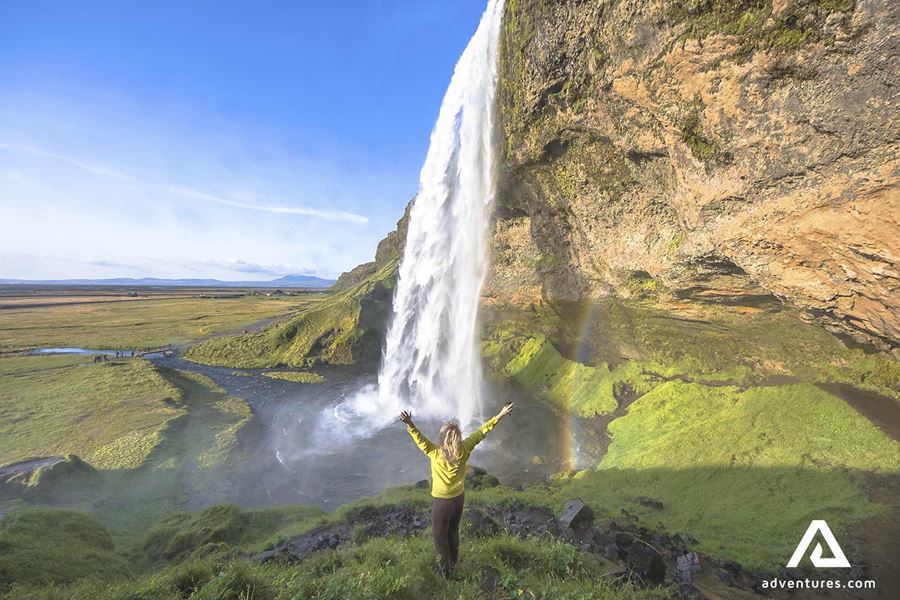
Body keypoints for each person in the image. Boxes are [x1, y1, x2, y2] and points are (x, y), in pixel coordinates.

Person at [399, 402, 514, 579]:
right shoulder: (465, 448)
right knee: (453, 531)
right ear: (458, 437)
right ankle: (454, 563)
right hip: (458, 498)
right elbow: (482, 432)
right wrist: (500, 415)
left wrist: (410, 424)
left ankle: (446, 574)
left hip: (442, 502)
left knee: (439, 537)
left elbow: (419, 439)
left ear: (443, 439)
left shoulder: (434, 453)